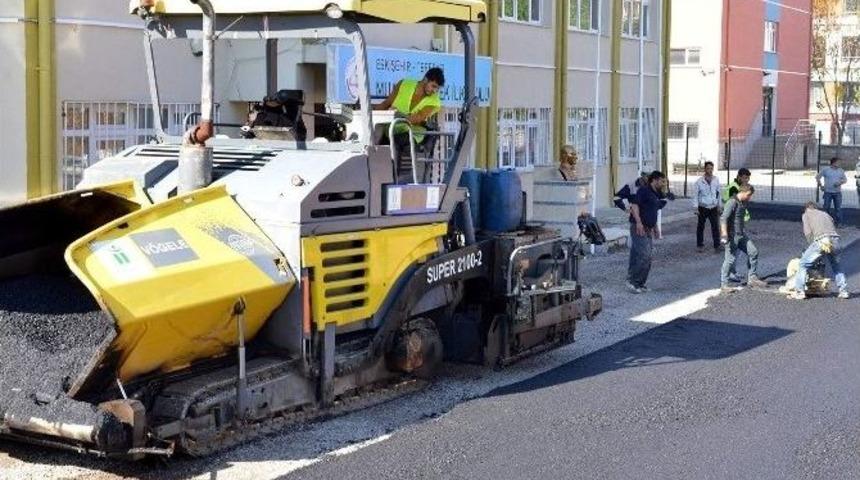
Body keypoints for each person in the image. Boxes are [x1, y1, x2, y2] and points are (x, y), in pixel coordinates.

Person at [375, 67, 445, 181]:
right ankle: (381, 177)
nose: (435, 91)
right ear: (425, 79)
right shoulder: (404, 84)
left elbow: (418, 117)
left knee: (399, 141)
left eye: (437, 88)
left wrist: (397, 115)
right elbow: (386, 103)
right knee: (375, 142)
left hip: (413, 133)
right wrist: (370, 114)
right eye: (433, 86)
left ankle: (397, 179)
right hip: (392, 128)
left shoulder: (435, 101)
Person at [789, 202, 849, 299]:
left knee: (803, 264)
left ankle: (799, 291)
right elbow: (832, 224)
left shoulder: (806, 214)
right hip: (835, 239)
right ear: (815, 208)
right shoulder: (825, 214)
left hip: (821, 240)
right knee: (836, 266)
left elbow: (808, 233)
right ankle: (843, 291)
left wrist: (811, 247)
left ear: (806, 208)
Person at [720, 185, 768, 293]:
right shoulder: (732, 202)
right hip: (732, 236)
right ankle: (724, 284)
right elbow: (723, 218)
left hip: (741, 235)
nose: (749, 197)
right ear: (743, 192)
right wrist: (724, 234)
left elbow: (739, 219)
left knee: (753, 252)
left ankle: (752, 278)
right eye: (748, 195)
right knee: (730, 259)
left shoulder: (742, 202)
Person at [627, 171, 668, 294]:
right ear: (654, 180)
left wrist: (656, 228)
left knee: (645, 256)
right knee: (643, 255)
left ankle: (640, 283)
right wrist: (639, 222)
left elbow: (652, 211)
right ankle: (633, 282)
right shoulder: (644, 191)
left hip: (649, 228)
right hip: (639, 227)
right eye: (662, 181)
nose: (663, 184)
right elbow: (634, 206)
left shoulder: (656, 194)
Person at [722, 167, 752, 281]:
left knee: (736, 251)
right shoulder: (734, 188)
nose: (746, 180)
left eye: (748, 178)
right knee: (732, 252)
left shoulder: (739, 187)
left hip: (738, 224)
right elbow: (731, 208)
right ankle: (729, 274)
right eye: (744, 178)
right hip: (733, 225)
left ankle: (732, 271)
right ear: (739, 177)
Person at [693, 161, 722, 252]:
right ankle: (700, 245)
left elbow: (719, 194)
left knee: (715, 226)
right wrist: (695, 207)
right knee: (701, 226)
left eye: (711, 168)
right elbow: (695, 195)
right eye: (708, 168)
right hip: (703, 207)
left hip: (713, 207)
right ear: (705, 169)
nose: (710, 170)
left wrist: (719, 206)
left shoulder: (716, 180)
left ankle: (717, 245)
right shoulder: (699, 182)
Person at [816, 157, 847, 227]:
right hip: (827, 192)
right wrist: (821, 186)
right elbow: (817, 177)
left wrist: (840, 183)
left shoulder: (841, 170)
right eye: (838, 162)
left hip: (837, 193)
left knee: (838, 208)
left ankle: (839, 223)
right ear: (834, 163)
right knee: (826, 208)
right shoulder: (826, 170)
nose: (840, 164)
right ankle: (826, 223)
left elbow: (845, 180)